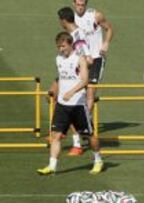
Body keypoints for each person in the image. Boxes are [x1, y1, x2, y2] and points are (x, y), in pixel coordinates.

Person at [37, 32, 103, 175]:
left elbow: (85, 80)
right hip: (62, 105)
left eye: (63, 46)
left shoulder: (80, 60)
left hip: (78, 105)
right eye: (58, 47)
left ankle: (98, 160)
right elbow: (61, 77)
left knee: (89, 135)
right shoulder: (58, 59)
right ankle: (51, 166)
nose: (61, 49)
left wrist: (71, 92)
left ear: (70, 45)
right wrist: (56, 91)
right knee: (55, 135)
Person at [46, 6, 93, 156]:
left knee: (70, 105)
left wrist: (78, 70)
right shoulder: (71, 34)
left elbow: (88, 59)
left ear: (63, 21)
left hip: (77, 77)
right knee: (51, 95)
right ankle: (60, 131)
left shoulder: (78, 36)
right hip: (67, 72)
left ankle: (76, 143)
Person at [69, 0, 113, 155]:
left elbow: (109, 29)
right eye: (78, 4)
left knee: (90, 94)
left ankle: (82, 127)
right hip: (80, 60)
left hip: (96, 59)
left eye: (83, 4)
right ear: (73, 3)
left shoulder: (95, 15)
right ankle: (79, 131)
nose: (80, 7)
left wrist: (106, 43)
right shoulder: (70, 18)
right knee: (74, 95)